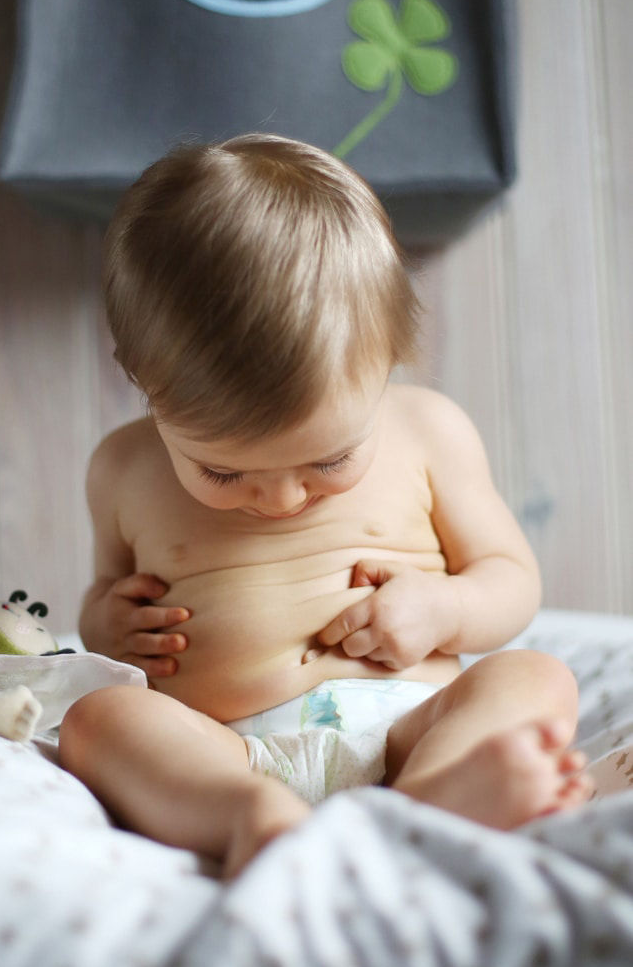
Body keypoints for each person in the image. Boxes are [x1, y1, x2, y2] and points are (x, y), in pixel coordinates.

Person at [59, 134, 591, 878]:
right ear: (146, 386)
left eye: (330, 460)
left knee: (535, 677)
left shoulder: (429, 430)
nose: (280, 497)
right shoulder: (121, 468)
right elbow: (101, 594)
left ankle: (435, 799)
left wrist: (445, 609)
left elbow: (510, 578)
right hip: (231, 749)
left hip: (412, 732)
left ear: (387, 364)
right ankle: (249, 817)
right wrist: (107, 623)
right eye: (222, 470)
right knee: (96, 721)